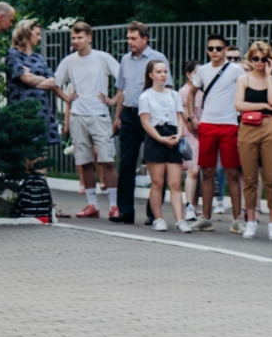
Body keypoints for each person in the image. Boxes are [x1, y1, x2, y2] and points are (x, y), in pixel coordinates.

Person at [54, 22, 121, 219]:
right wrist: (66, 98)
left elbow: (123, 79)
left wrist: (113, 100)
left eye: (80, 37)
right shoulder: (69, 61)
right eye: (73, 38)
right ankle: (92, 205)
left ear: (89, 38)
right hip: (77, 115)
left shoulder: (102, 58)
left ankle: (114, 205)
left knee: (107, 160)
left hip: (99, 114)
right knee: (84, 162)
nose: (76, 41)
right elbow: (55, 82)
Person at [110, 22, 168, 225]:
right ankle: (125, 211)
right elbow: (121, 91)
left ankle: (154, 213)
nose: (130, 42)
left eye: (134, 38)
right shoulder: (125, 60)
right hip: (129, 114)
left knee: (155, 164)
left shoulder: (157, 59)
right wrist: (117, 117)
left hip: (152, 116)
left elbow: (165, 90)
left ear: (145, 39)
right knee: (126, 164)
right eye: (128, 38)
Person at [191, 34, 245, 232]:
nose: (214, 52)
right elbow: (191, 92)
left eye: (219, 48)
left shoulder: (236, 70)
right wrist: (191, 117)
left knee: (232, 171)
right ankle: (206, 217)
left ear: (225, 50)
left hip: (229, 124)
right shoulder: (203, 70)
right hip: (207, 124)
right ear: (207, 50)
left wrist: (242, 114)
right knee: (207, 171)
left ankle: (238, 218)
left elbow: (247, 87)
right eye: (211, 48)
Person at [235, 39, 272, 240]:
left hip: (269, 126)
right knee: (250, 177)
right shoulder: (243, 80)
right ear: (250, 59)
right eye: (255, 58)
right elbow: (238, 105)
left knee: (271, 177)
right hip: (247, 127)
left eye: (264, 59)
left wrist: (269, 76)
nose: (259, 62)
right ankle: (251, 220)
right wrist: (263, 105)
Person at [137, 59, 191, 232]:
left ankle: (180, 220)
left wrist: (179, 134)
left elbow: (179, 116)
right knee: (157, 182)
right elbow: (146, 123)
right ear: (151, 75)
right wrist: (161, 139)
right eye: (159, 72)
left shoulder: (173, 94)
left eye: (165, 72)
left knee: (175, 183)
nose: (163, 75)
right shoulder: (145, 96)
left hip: (173, 135)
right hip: (156, 138)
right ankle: (158, 218)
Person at [5, 19, 62, 146]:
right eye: (36, 34)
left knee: (42, 154)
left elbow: (52, 82)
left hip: (42, 110)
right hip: (23, 110)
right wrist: (41, 79)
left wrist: (33, 78)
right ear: (26, 33)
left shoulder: (38, 57)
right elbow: (25, 78)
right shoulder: (13, 54)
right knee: (27, 153)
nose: (40, 38)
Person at [179, 59, 202, 221]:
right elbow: (185, 116)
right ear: (188, 75)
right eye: (196, 73)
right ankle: (188, 207)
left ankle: (195, 206)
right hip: (190, 133)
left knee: (200, 172)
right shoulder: (184, 92)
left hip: (203, 133)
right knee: (193, 170)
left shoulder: (203, 92)